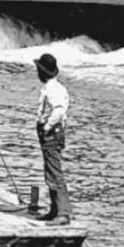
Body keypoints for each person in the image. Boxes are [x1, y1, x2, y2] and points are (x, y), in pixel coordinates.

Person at [33, 52, 72, 222]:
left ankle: (63, 212)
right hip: (52, 132)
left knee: (54, 172)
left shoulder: (53, 90)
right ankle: (55, 210)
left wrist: (47, 126)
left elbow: (59, 110)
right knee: (50, 170)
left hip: (52, 132)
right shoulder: (54, 87)